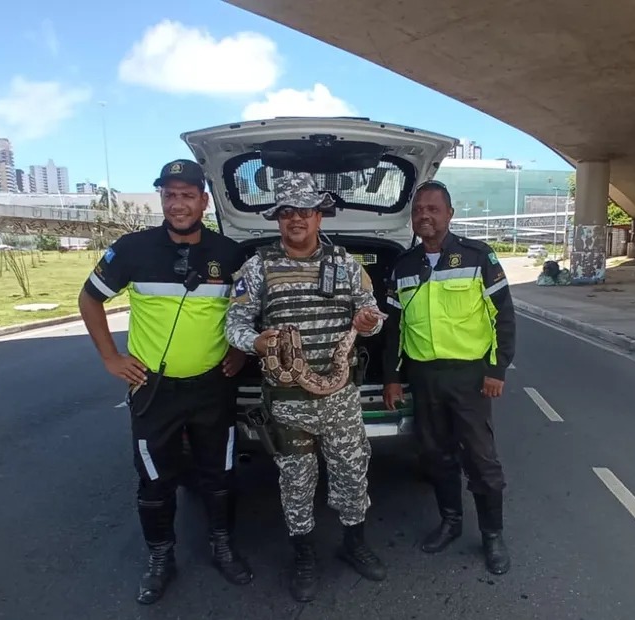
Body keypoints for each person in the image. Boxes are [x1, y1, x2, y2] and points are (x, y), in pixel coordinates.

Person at [78, 159, 253, 605]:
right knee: (154, 481)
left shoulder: (230, 255)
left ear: (204, 202)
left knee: (220, 474)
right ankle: (160, 558)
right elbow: (89, 298)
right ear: (161, 198)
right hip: (153, 391)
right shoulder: (132, 249)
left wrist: (238, 351)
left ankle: (221, 545)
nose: (178, 204)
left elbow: (251, 310)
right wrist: (110, 357)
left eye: (187, 195)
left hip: (212, 388)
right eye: (170, 195)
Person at [224, 172, 388, 602]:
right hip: (288, 402)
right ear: (278, 218)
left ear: (319, 216)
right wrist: (256, 341)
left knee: (352, 473)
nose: (296, 218)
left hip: (340, 398)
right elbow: (235, 325)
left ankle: (355, 544)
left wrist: (369, 323)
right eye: (287, 212)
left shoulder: (345, 264)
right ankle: (304, 554)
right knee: (296, 481)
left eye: (305, 211)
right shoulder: (257, 267)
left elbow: (371, 313)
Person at [382, 180, 516, 575]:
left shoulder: (478, 256)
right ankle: (451, 523)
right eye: (418, 209)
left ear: (449, 214)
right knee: (437, 456)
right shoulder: (403, 266)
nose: (425, 215)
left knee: (481, 460)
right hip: (424, 377)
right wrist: (391, 377)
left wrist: (497, 368)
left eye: (433, 208)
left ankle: (493, 536)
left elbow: (503, 316)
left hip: (470, 377)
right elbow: (394, 328)